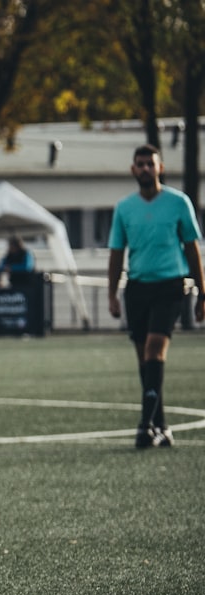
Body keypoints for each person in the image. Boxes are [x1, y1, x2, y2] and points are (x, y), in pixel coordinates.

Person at [107, 143, 205, 448]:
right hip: (137, 288)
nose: (146, 168)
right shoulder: (124, 208)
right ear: (133, 170)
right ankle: (161, 425)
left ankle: (144, 425)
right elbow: (116, 252)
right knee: (144, 360)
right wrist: (112, 294)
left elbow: (192, 248)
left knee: (153, 349)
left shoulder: (179, 203)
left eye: (151, 163)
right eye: (141, 164)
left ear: (160, 167)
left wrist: (203, 292)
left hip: (170, 286)